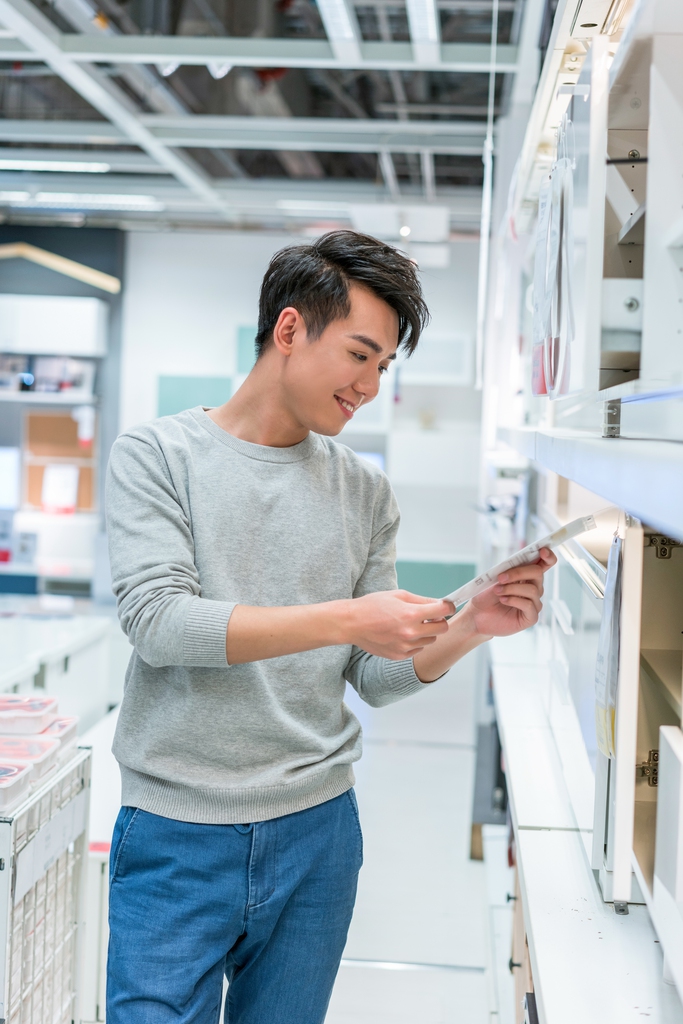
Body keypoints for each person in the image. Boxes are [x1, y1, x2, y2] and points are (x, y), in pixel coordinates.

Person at [105, 230, 555, 1024]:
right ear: (288, 331)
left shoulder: (364, 493)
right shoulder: (158, 456)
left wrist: (469, 626)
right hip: (177, 831)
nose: (371, 385)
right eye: (360, 354)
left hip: (317, 835)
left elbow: (371, 679)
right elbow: (160, 624)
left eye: (384, 366)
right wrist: (351, 616)